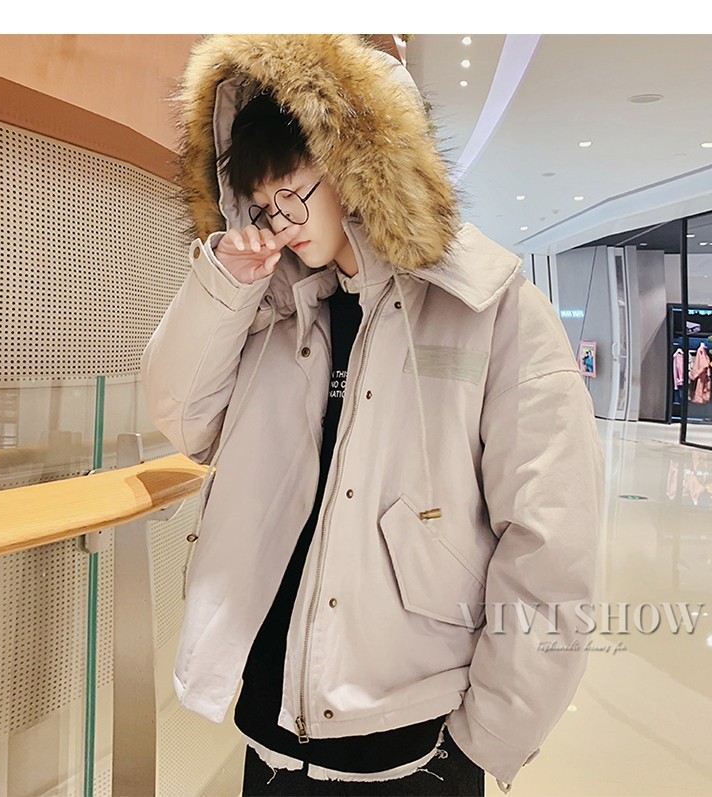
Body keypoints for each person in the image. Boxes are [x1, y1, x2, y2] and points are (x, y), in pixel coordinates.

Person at [141, 34, 604, 796]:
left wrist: (484, 739)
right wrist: (224, 285)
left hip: (414, 747)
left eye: (294, 191)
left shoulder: (495, 312)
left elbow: (552, 548)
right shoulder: (274, 312)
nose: (282, 221)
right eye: (263, 204)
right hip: (270, 726)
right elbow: (179, 416)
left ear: (356, 162)